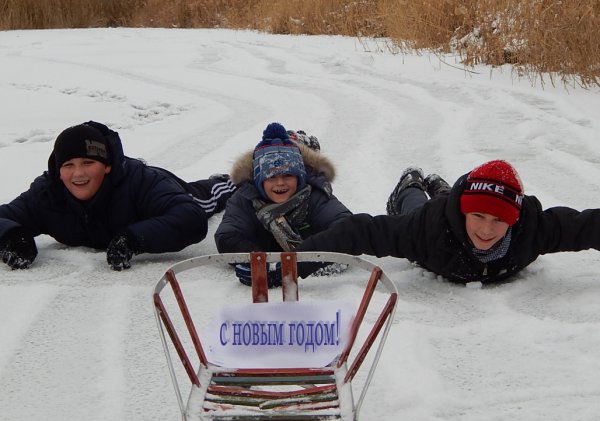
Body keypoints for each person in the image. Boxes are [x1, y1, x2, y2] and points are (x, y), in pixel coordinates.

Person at [296, 159, 600, 283]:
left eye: (499, 220)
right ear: (465, 212)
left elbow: (587, 226)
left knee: (443, 200)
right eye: (478, 216)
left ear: (514, 219)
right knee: (414, 206)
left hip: (452, 207)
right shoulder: (426, 231)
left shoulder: (535, 228)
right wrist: (290, 268)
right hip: (430, 216)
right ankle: (411, 183)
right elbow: (358, 232)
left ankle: (441, 188)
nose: (486, 230)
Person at [0, 120, 236, 271]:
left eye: (88, 162)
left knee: (207, 196)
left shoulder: (140, 182)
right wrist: (12, 236)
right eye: (68, 165)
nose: (78, 173)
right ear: (58, 172)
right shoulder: (46, 194)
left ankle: (228, 181)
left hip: (170, 188)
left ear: (107, 166)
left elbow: (189, 218)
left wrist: (134, 238)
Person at [214, 122, 352, 286]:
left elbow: (347, 229)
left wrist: (293, 266)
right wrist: (261, 260)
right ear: (259, 180)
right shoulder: (245, 199)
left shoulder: (314, 195)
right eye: (271, 177)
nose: (280, 183)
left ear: (299, 177)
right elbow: (227, 236)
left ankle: (298, 140)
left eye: (288, 175)